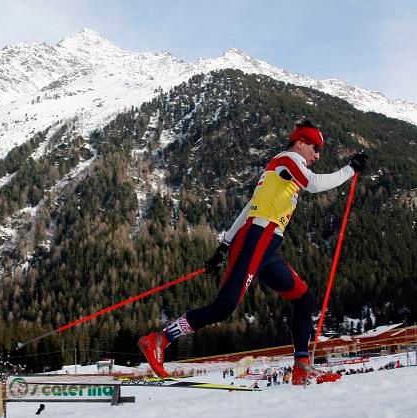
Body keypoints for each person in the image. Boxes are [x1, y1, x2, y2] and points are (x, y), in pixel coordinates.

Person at [139, 120, 368, 385]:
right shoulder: (289, 158)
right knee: (223, 307)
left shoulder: (281, 171)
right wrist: (351, 169)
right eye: (316, 148)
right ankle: (160, 339)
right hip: (257, 237)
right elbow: (314, 184)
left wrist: (224, 245)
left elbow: (251, 206)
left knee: (304, 299)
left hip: (267, 245)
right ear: (301, 143)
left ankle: (302, 367)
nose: (317, 155)